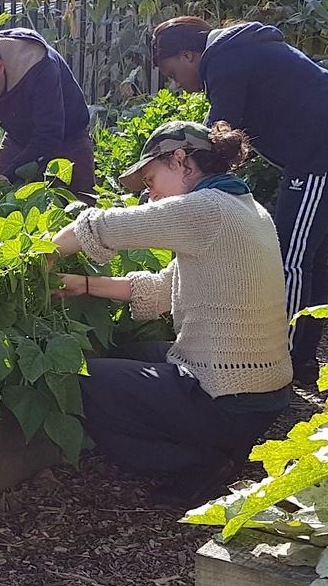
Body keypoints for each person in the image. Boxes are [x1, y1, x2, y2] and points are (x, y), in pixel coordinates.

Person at [50, 120, 292, 507]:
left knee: (78, 380)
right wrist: (84, 284)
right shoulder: (244, 206)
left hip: (226, 399)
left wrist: (39, 252)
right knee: (128, 359)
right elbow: (164, 290)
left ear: (180, 160)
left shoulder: (207, 208)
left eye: (151, 179)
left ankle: (200, 462)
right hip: (260, 395)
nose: (150, 194)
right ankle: (213, 446)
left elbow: (103, 225)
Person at [151, 16, 328, 386]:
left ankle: (280, 360)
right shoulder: (234, 53)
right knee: (308, 254)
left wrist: (185, 177)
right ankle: (301, 359)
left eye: (173, 73)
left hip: (324, 149)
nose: (176, 84)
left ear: (189, 55)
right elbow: (227, 137)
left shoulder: (223, 59)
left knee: (290, 255)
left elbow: (218, 134)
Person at [0, 29, 95, 197]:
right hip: (18, 138)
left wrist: (9, 176)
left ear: (0, 67)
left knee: (81, 206)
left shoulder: (39, 67)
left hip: (70, 137)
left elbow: (49, 135)